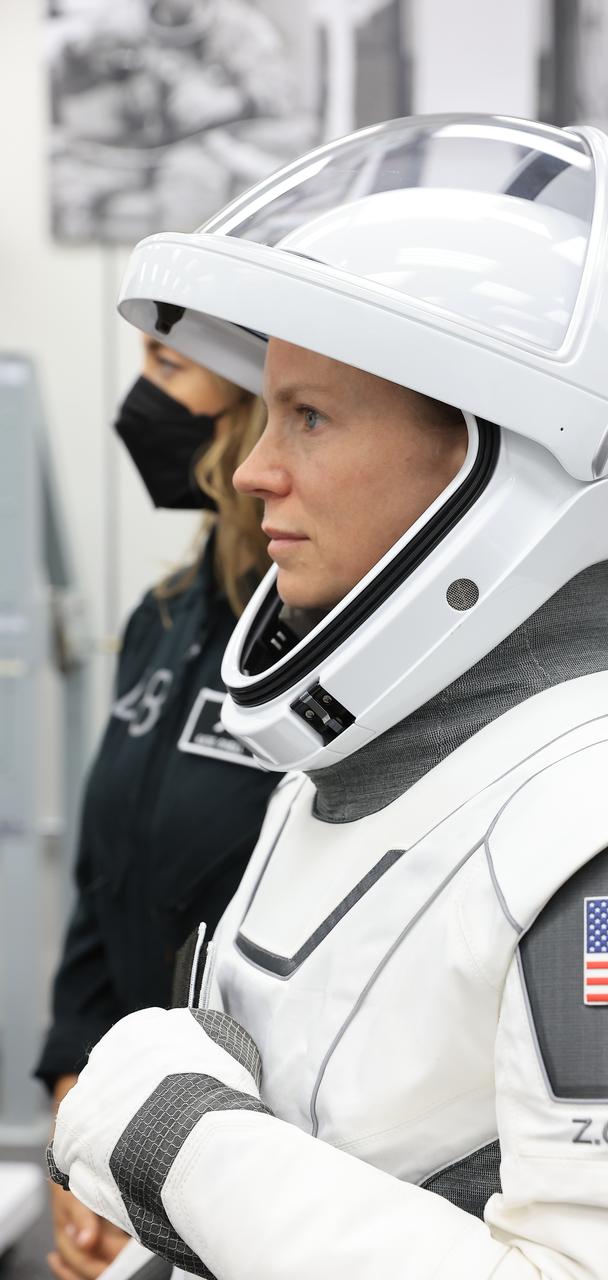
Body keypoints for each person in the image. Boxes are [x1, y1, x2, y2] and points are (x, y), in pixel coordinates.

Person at [49, 115, 608, 1280]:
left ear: (497, 462)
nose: (252, 468)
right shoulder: (374, 773)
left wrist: (175, 1141)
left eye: (307, 414)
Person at [37, 339, 282, 1280]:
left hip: (255, 1176)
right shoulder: (165, 614)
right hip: (125, 1151)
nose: (144, 395)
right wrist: (80, 1135)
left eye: (169, 364)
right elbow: (104, 887)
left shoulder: (327, 648)